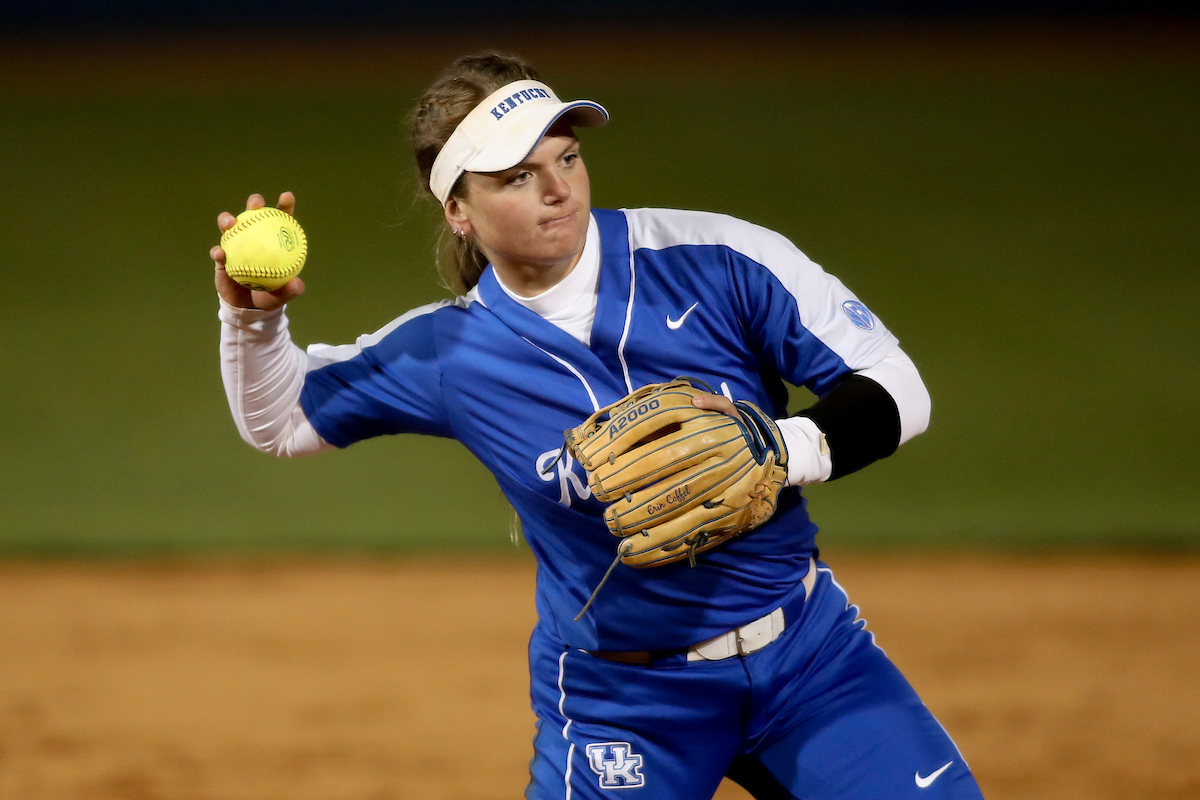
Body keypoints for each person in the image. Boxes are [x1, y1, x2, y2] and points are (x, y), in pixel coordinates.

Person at [211, 52, 985, 800]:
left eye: (568, 158)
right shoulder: (450, 353)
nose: (558, 189)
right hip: (624, 699)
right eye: (518, 176)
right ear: (459, 211)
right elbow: (280, 420)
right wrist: (253, 324)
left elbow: (897, 386)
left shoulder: (714, 259)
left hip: (812, 660)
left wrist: (783, 446)